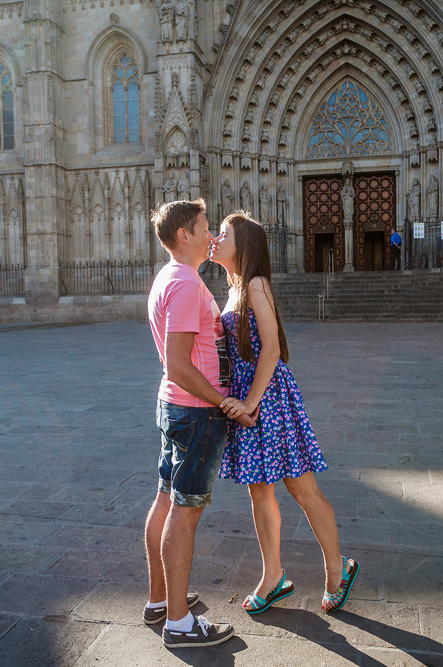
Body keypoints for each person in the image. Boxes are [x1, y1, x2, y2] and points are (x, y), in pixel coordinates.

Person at [210, 212, 360, 615]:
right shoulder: (235, 287)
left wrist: (250, 401)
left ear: (244, 245)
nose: (215, 239)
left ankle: (337, 567)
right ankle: (272, 575)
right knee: (259, 489)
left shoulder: (256, 284)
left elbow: (272, 348)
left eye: (223, 234)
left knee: (301, 488)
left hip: (268, 397)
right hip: (249, 395)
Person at [144, 199, 256, 649]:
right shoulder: (188, 284)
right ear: (184, 235)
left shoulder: (167, 277)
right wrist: (225, 401)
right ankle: (179, 623)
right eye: (205, 227)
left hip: (175, 407)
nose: (211, 235)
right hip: (195, 411)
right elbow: (178, 364)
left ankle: (159, 600)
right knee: (185, 511)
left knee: (166, 501)